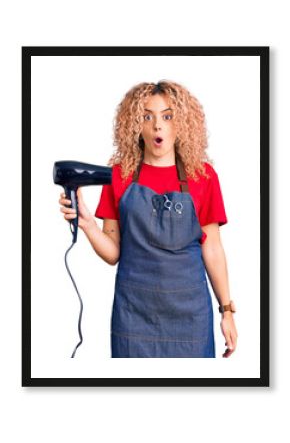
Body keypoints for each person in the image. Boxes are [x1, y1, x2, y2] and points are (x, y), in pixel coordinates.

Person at [58, 80, 238, 358]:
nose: (157, 125)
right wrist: (87, 223)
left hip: (190, 316)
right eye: (147, 116)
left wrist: (226, 310)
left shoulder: (203, 176)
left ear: (182, 123)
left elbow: (212, 247)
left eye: (167, 116)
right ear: (134, 125)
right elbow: (113, 253)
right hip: (133, 314)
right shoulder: (118, 176)